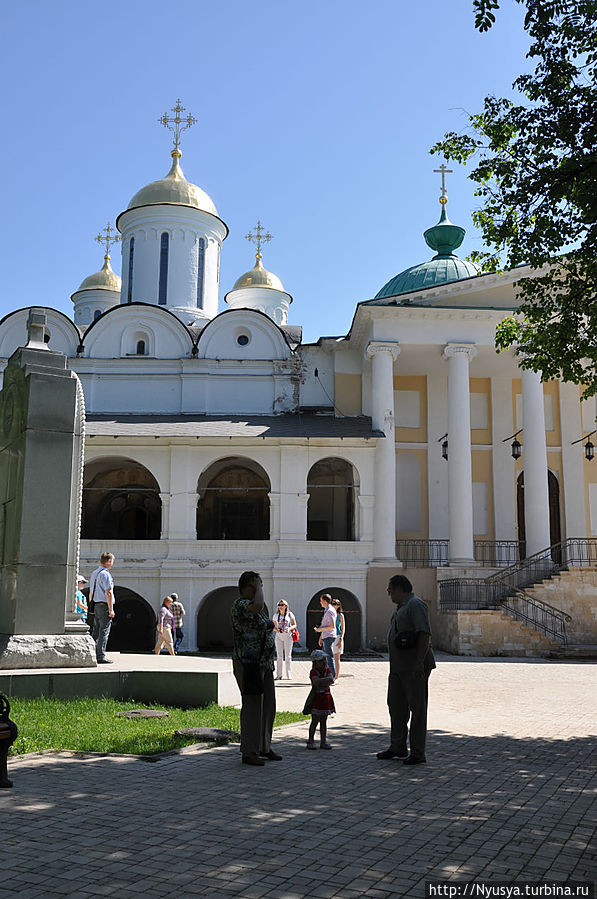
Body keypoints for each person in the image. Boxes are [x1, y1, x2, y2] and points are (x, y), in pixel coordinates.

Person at [377, 574, 436, 766]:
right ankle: (398, 746)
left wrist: (419, 663)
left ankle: (418, 752)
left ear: (399, 588)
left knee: (417, 709)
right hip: (398, 666)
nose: (388, 593)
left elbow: (424, 634)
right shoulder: (401, 608)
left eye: (390, 589)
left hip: (413, 666)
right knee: (396, 706)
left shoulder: (415, 605)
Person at [230, 571, 281, 767]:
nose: (261, 588)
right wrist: (258, 587)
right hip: (248, 664)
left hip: (264, 663)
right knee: (252, 706)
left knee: (268, 705)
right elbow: (258, 605)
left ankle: (264, 747)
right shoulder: (241, 605)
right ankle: (249, 751)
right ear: (249, 585)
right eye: (258, 585)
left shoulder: (255, 609)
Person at [306, 649, 335, 750]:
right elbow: (316, 682)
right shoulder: (313, 672)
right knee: (315, 721)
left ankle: (323, 741)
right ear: (315, 662)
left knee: (324, 721)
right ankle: (310, 740)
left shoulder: (328, 670)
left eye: (324, 660)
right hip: (317, 699)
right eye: (321, 660)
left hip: (326, 698)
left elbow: (331, 679)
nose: (324, 662)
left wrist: (322, 681)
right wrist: (325, 681)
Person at [89, 552, 115, 664]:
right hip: (104, 605)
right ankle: (100, 656)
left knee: (95, 631)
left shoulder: (94, 573)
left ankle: (92, 653)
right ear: (108, 562)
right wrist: (111, 609)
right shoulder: (105, 574)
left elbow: (91, 591)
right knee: (104, 631)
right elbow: (108, 592)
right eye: (112, 562)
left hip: (96, 604)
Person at [313, 593, 337, 679]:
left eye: (321, 601)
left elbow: (332, 626)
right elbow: (325, 625)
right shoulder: (327, 610)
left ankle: (332, 677)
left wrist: (319, 630)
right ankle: (327, 675)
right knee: (325, 658)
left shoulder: (330, 611)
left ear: (325, 601)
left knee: (329, 657)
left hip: (329, 636)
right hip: (326, 636)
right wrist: (321, 637)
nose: (320, 603)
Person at [273, 599, 297, 680]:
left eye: (282, 605)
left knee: (288, 656)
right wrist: (277, 630)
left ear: (286, 606)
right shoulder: (276, 615)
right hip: (279, 636)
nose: (280, 606)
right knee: (279, 656)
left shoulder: (290, 615)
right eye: (279, 605)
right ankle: (279, 675)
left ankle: (288, 674)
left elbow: (294, 624)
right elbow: (273, 626)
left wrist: (289, 629)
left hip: (288, 636)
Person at [330, 598, 345, 681]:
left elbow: (343, 628)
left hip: (338, 636)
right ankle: (329, 675)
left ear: (338, 606)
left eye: (335, 604)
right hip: (329, 636)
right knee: (329, 657)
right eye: (332, 603)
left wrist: (341, 639)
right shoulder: (329, 614)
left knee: (336, 658)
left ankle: (336, 677)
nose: (333, 605)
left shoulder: (340, 615)